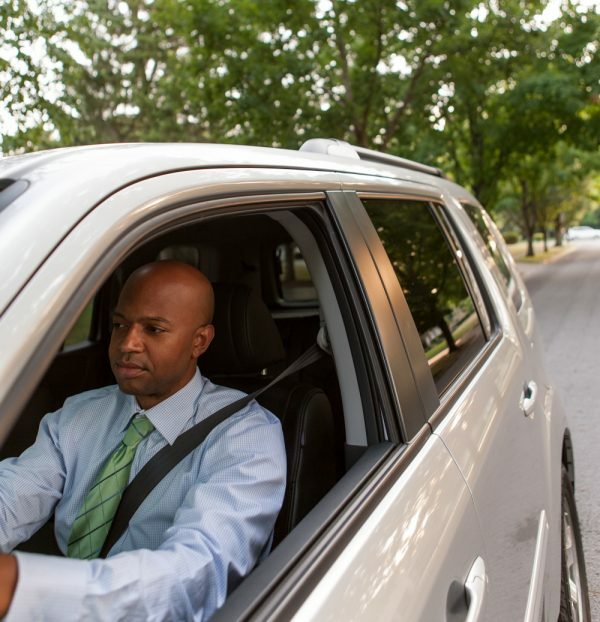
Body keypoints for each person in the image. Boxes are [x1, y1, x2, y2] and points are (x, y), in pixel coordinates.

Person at [0, 260, 287, 621]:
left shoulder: (244, 435)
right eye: (120, 325)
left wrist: (20, 586)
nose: (127, 344)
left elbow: (195, 573)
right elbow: (13, 496)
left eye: (154, 329)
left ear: (199, 341)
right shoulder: (80, 414)